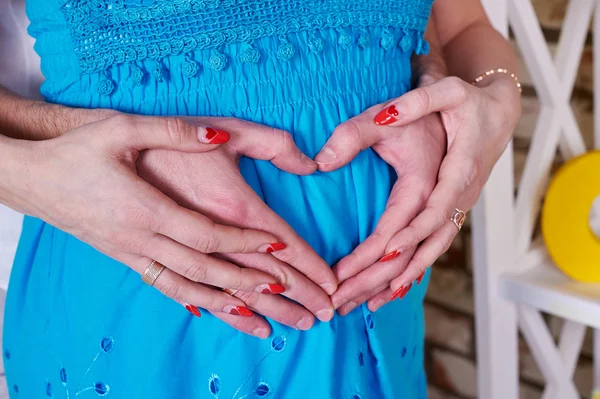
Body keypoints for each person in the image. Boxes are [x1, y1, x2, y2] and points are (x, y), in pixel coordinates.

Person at [0, 0, 521, 397]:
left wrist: (495, 103)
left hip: (378, 314)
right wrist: (36, 169)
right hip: (148, 289)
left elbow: (462, 26)